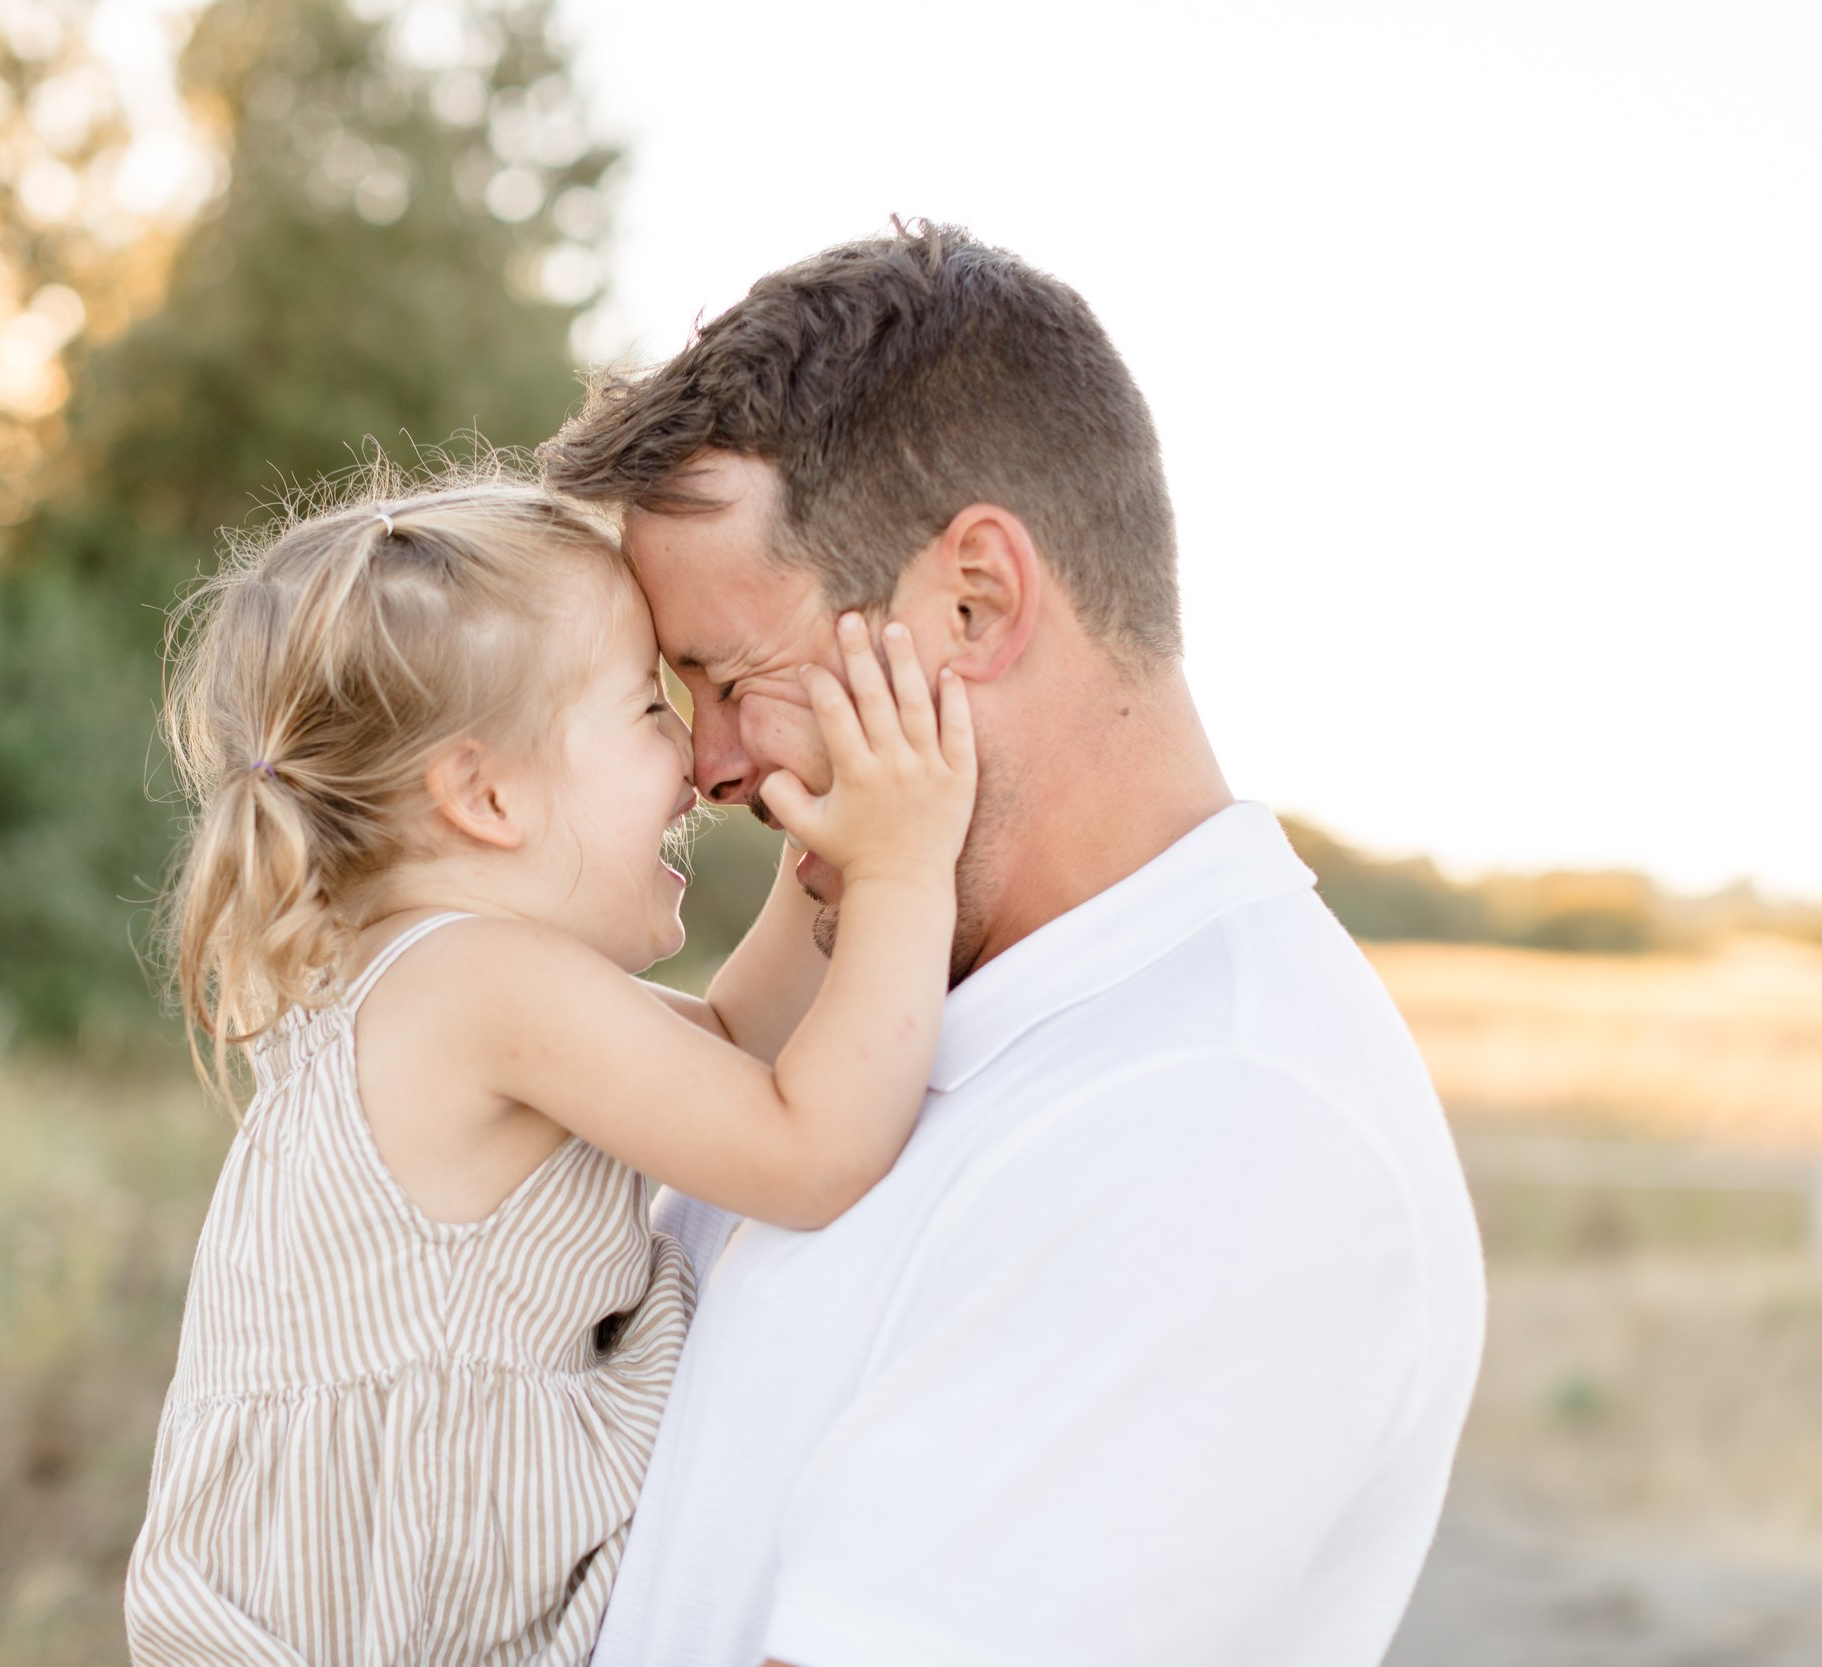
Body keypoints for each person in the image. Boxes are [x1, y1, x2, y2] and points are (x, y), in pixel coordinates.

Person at [541, 223, 1489, 1667]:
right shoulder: (881, 992)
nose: (709, 765)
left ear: (976, 600)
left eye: (733, 678)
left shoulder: (1222, 1128)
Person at [123, 467, 976, 1665]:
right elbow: (807, 1144)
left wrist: (821, 835)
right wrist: (901, 866)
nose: (694, 759)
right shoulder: (479, 986)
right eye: (644, 709)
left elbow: (733, 1047)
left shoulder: (416, 977)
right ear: (485, 796)